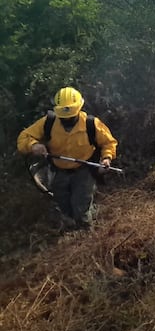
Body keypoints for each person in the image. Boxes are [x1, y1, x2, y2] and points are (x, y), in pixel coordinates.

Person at [17, 86, 118, 231]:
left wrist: (106, 158)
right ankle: (72, 230)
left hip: (84, 171)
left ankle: (86, 236)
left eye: (71, 116)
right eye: (64, 117)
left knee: (81, 207)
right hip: (59, 172)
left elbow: (108, 142)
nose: (67, 119)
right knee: (64, 206)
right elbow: (23, 138)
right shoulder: (49, 122)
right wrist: (33, 145)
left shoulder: (91, 123)